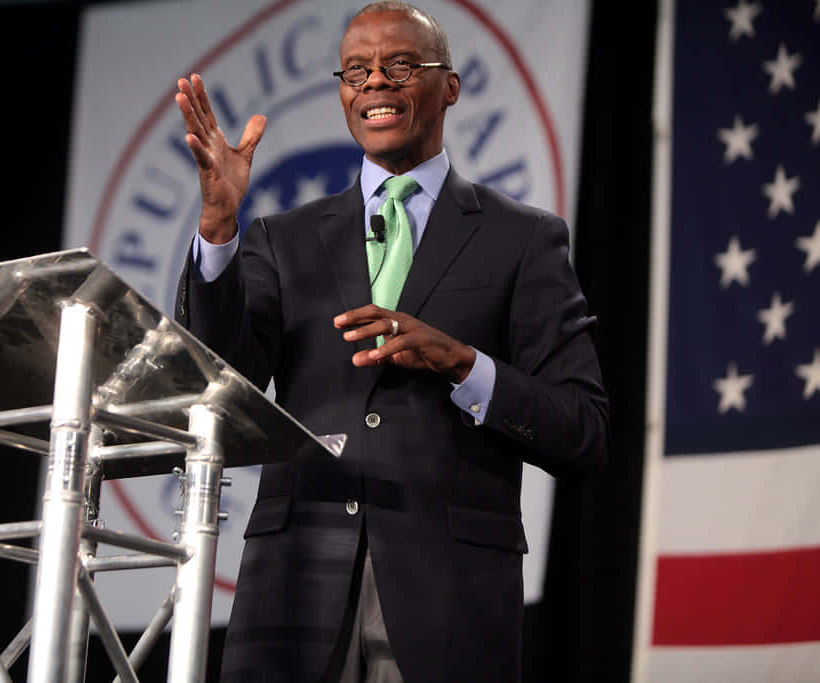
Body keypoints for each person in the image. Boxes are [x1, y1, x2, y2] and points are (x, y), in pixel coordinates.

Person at [173, 3, 609, 681]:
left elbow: (583, 428)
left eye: (400, 65)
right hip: (296, 588)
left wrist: (465, 364)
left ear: (450, 87)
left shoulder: (523, 238)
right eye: (356, 70)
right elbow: (214, 381)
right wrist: (219, 227)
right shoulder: (281, 239)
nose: (375, 81)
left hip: (450, 599)